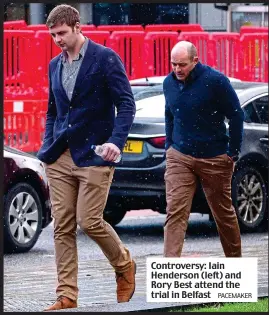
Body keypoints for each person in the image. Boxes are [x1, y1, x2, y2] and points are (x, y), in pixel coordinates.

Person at [37, 4, 136, 311]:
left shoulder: (105, 58)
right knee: (62, 225)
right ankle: (66, 295)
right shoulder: (55, 64)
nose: (58, 40)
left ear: (77, 26)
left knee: (89, 220)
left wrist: (116, 143)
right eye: (53, 35)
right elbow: (53, 110)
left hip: (94, 154)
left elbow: (127, 104)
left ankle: (124, 264)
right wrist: (47, 146)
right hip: (60, 156)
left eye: (62, 33)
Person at [163, 41, 244, 258]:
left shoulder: (215, 81)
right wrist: (169, 146)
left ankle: (235, 266)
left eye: (182, 64)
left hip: (214, 157)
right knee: (175, 213)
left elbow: (236, 115)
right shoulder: (168, 83)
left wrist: (232, 152)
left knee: (223, 214)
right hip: (179, 156)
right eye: (173, 64)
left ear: (195, 61)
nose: (177, 69)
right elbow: (170, 114)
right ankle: (170, 271)